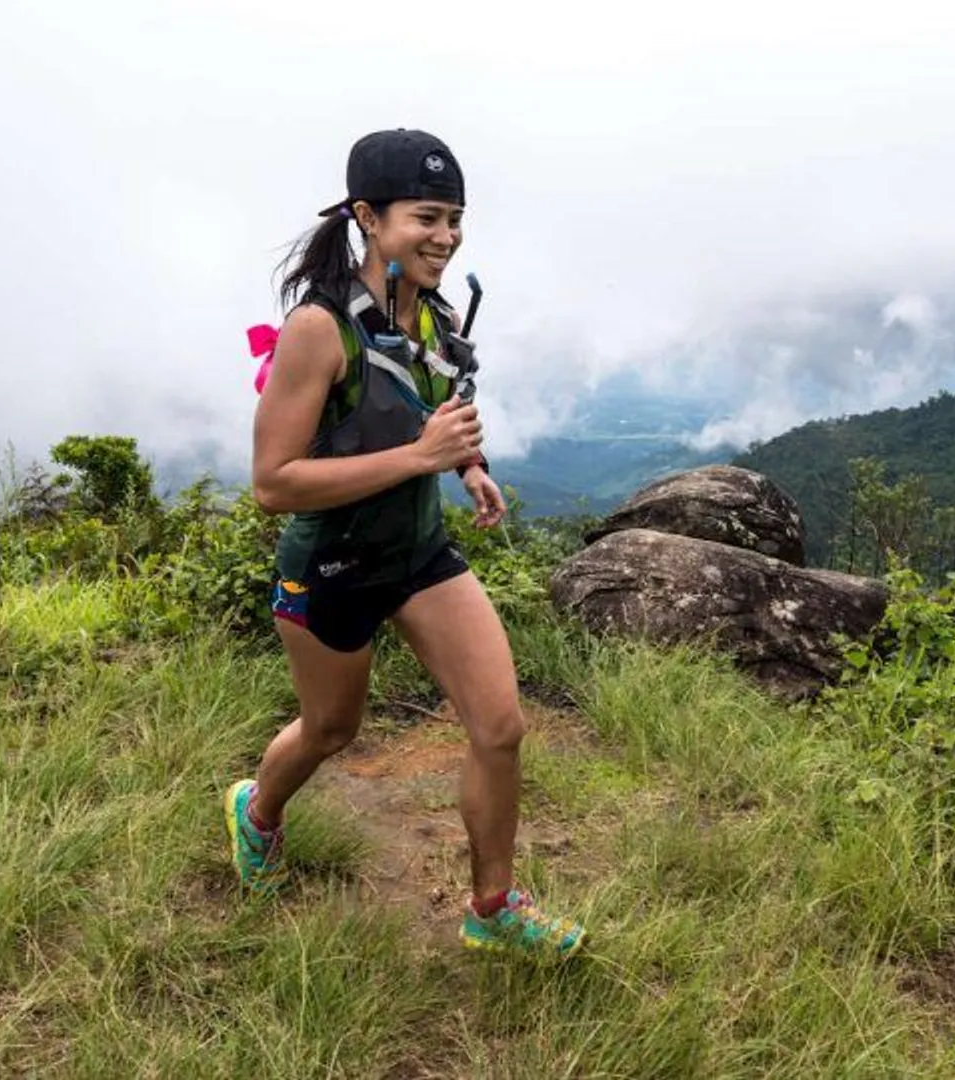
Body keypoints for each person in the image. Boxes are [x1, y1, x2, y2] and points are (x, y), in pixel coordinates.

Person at [224, 128, 585, 959]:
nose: (445, 236)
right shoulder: (319, 330)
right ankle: (257, 812)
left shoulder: (436, 312)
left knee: (499, 726)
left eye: (455, 218)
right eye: (427, 216)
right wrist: (422, 456)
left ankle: (491, 908)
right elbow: (273, 481)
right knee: (329, 732)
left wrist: (469, 467)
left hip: (419, 555)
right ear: (367, 217)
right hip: (332, 567)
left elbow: (432, 413)